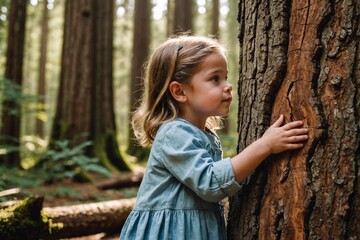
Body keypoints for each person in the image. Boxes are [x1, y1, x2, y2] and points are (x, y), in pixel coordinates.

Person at [120, 35, 308, 240]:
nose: (228, 86)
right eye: (214, 79)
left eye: (225, 77)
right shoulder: (173, 133)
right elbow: (210, 184)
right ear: (179, 91)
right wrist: (265, 145)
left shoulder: (204, 135)